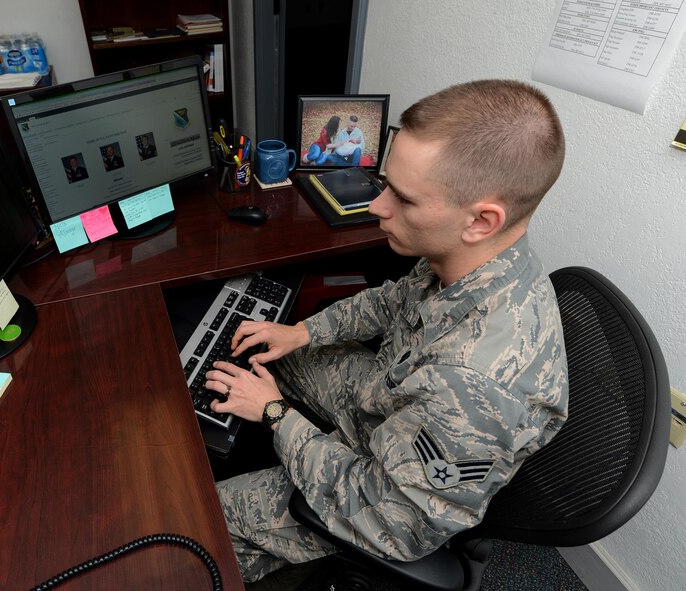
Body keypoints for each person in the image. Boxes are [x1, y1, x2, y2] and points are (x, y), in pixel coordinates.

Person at [205, 79, 569, 583]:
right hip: (388, 403)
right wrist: (299, 333)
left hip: (380, 497)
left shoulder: (475, 385)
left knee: (204, 520)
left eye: (403, 198)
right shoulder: (470, 260)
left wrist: (274, 414)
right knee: (272, 352)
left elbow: (395, 525)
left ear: (482, 221)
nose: (377, 208)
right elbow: (390, 301)